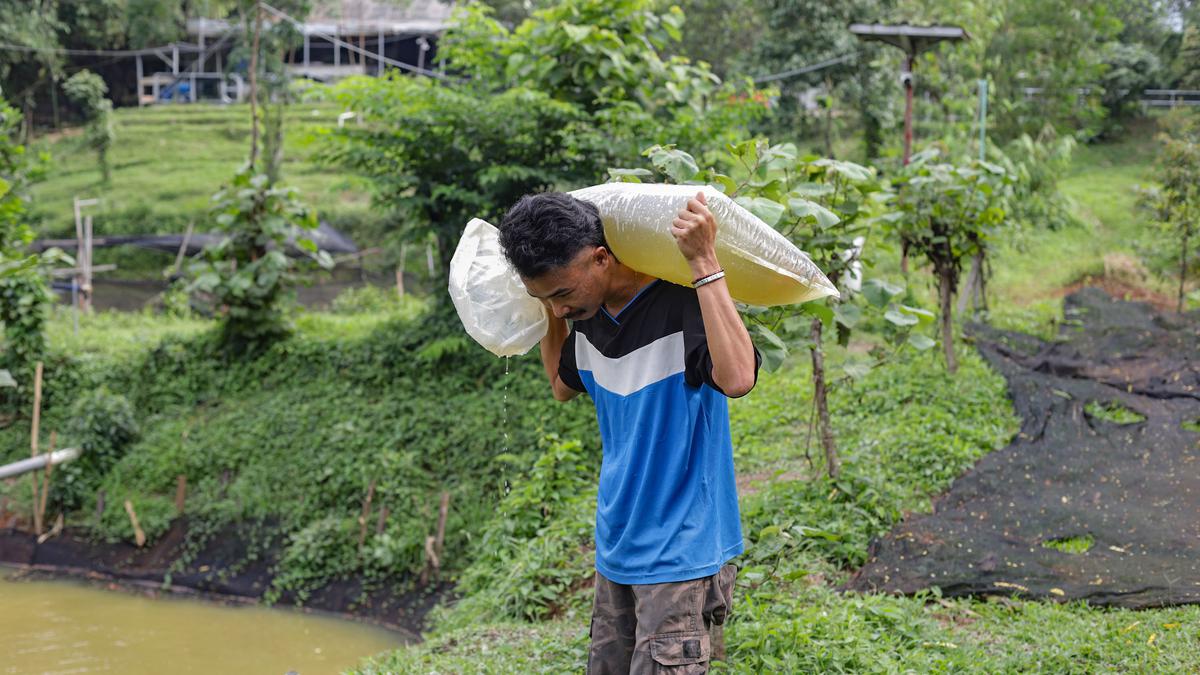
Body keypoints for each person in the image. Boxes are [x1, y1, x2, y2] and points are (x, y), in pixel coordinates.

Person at [498, 189, 760, 674]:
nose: (558, 311)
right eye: (545, 298)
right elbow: (561, 383)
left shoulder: (680, 303)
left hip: (681, 551)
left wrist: (703, 260)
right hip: (616, 544)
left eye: (561, 294)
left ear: (601, 258)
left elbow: (739, 377)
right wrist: (544, 309)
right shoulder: (587, 315)